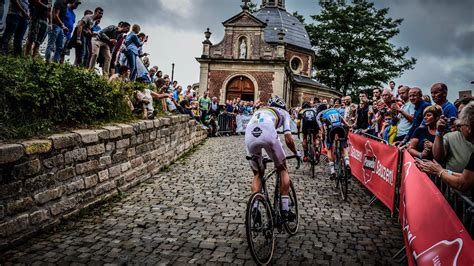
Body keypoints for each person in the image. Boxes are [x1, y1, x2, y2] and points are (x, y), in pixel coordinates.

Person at [245, 95, 300, 222]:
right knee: (282, 169)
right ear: (283, 106)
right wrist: (296, 152)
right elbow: (288, 139)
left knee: (258, 174)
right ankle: (285, 210)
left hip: (249, 135)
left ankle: (254, 208)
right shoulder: (284, 113)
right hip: (268, 134)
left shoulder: (259, 110)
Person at [432, 102, 474, 173]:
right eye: (460, 112)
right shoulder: (450, 136)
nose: (464, 115)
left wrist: (440, 172)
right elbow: (437, 157)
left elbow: (465, 180)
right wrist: (439, 132)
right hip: (452, 181)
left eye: (467, 112)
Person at [317, 104, 350, 179]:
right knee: (344, 148)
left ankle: (332, 172)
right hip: (341, 128)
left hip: (331, 129)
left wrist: (323, 138)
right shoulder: (335, 110)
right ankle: (347, 164)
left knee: (329, 149)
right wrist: (346, 136)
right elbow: (347, 124)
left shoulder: (319, 115)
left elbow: (322, 130)